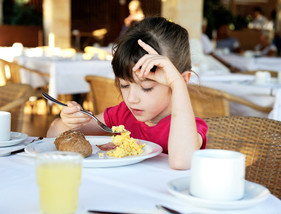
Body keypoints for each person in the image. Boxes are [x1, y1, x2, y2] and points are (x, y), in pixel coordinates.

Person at [47, 17, 208, 170]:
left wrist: (178, 83)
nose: (131, 99)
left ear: (181, 80)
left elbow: (182, 162)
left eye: (146, 88)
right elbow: (52, 136)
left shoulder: (188, 127)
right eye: (124, 85)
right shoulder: (122, 115)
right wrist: (67, 123)